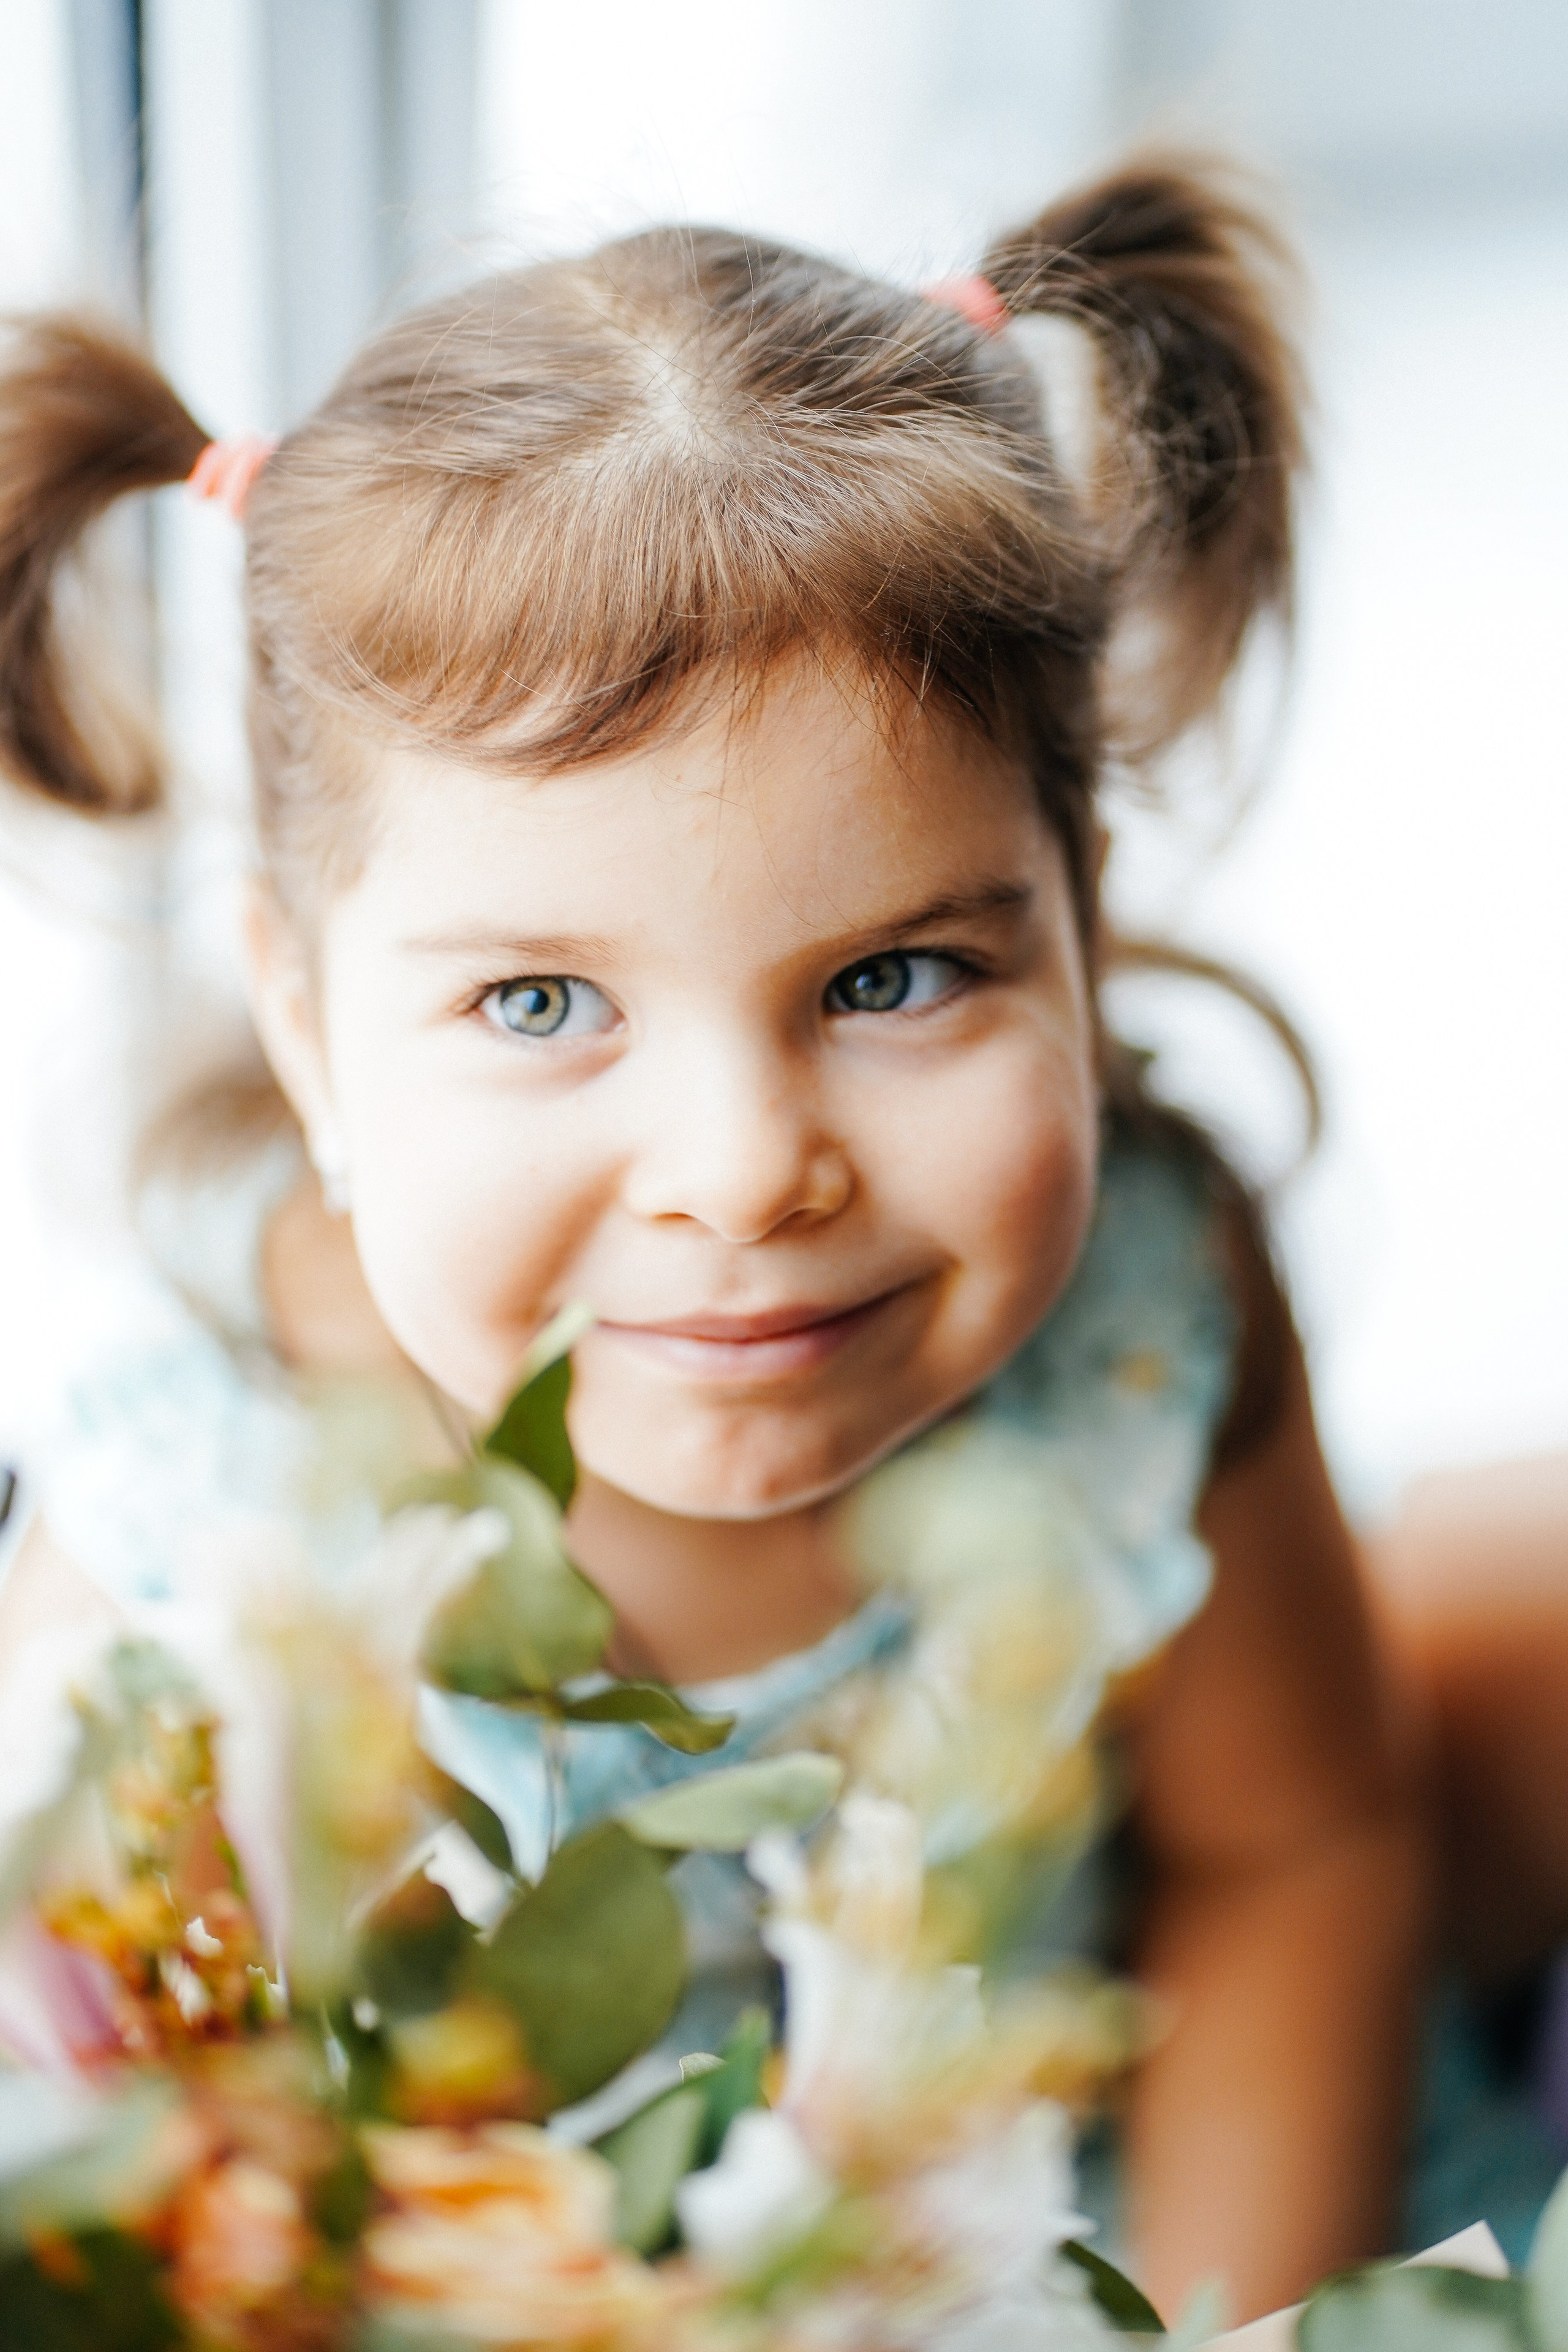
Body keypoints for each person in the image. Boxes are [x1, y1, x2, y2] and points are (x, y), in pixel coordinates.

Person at [0, 164, 1423, 2322]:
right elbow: (164, 2157)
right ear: (306, 1025)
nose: (747, 1172)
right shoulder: (209, 1506)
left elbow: (1289, 1858)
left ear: (1081, 909)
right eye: (542, 1006)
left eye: (893, 979)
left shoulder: (1145, 1307)